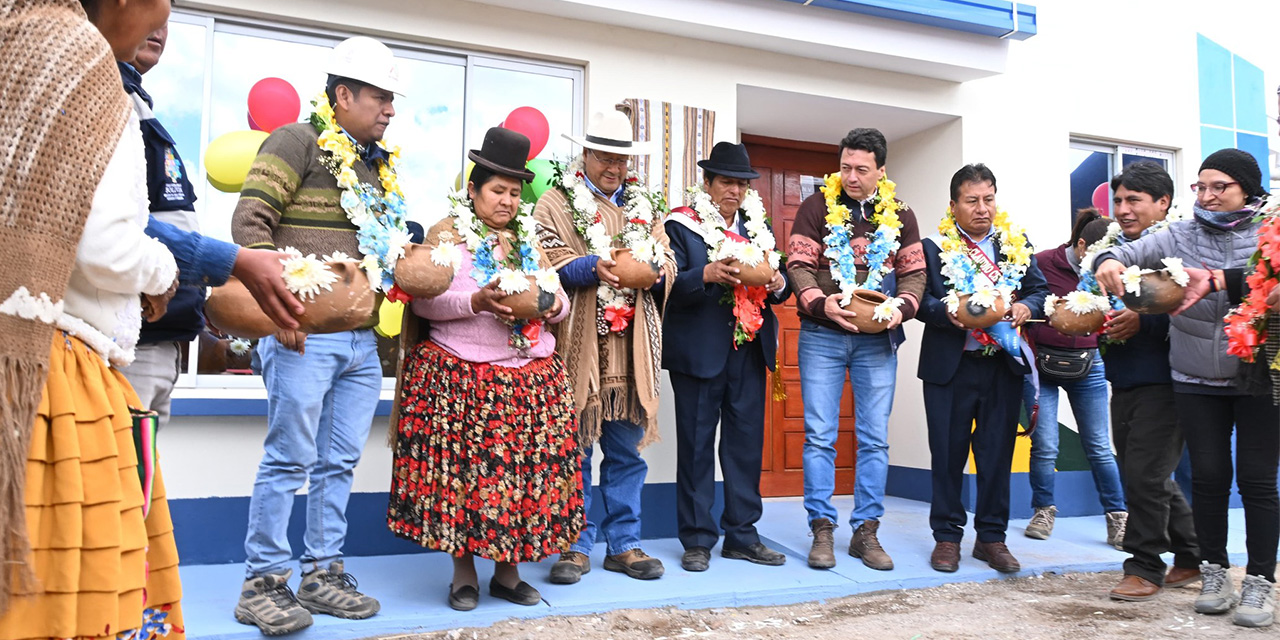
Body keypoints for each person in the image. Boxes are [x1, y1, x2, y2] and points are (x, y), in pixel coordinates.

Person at [0, 0, 184, 638]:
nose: (165, 15)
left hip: (23, 355)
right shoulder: (80, 62)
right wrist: (165, 272)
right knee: (74, 593)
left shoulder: (16, 44)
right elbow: (104, 248)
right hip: (56, 374)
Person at [230, 36, 401, 634]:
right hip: (302, 335)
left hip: (358, 341)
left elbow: (382, 252)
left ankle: (322, 574)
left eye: (391, 98)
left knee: (339, 462)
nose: (389, 109)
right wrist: (277, 312)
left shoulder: (377, 166)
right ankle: (264, 582)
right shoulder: (296, 141)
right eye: (379, 96)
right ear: (343, 94)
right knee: (289, 458)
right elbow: (250, 224)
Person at [386, 127, 584, 611]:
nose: (508, 202)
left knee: (520, 481)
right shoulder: (447, 235)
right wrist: (477, 300)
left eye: (515, 193)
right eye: (498, 191)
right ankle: (463, 575)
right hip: (463, 378)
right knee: (466, 479)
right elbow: (428, 304)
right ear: (472, 191)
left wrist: (541, 306)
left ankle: (509, 574)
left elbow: (559, 303)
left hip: (527, 379)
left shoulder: (529, 240)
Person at [1095, 149, 1278, 628]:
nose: (1208, 196)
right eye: (1201, 186)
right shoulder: (1180, 232)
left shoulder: (1272, 227)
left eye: (1220, 186)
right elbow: (1124, 251)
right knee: (1209, 480)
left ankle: (1260, 582)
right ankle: (1214, 573)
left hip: (1258, 372)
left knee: (1257, 482)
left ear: (1247, 189)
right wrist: (1109, 260)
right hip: (1194, 376)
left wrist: (1220, 281)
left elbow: (1269, 281)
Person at [117, 23, 303, 430]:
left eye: (167, 19)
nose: (159, 28)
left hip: (158, 338)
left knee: (139, 482)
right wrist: (234, 261)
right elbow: (114, 224)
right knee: (121, 478)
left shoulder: (136, 102)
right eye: (148, 11)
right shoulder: (101, 98)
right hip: (125, 343)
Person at [534, 110, 677, 584]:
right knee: (573, 449)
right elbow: (544, 262)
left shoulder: (646, 205)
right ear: (585, 155)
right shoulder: (554, 202)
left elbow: (667, 262)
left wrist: (652, 271)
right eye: (604, 158)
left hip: (632, 347)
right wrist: (592, 267)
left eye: (621, 159)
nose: (613, 167)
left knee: (627, 453)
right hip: (578, 344)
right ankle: (574, 546)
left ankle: (625, 544)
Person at [785, 128, 926, 571]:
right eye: (845, 167)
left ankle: (865, 532)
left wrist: (902, 308)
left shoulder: (901, 215)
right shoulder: (815, 207)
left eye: (861, 169)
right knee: (821, 436)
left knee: (873, 440)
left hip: (877, 342)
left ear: (881, 171)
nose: (850, 176)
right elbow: (798, 266)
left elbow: (915, 275)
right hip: (822, 335)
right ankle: (822, 530)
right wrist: (820, 302)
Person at [663, 142, 790, 572]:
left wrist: (776, 283)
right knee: (696, 448)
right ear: (708, 183)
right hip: (699, 352)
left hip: (749, 350)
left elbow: (782, 280)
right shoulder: (682, 225)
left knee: (745, 448)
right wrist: (706, 273)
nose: (734, 190)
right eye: (725, 182)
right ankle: (697, 540)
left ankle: (742, 535)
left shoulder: (758, 227)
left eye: (741, 183)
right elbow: (665, 286)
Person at [917, 163, 1048, 574]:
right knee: (948, 455)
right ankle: (947, 538)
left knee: (996, 457)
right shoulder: (932, 248)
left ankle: (992, 538)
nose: (982, 209)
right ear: (953, 205)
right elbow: (916, 301)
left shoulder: (1014, 243)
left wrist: (1027, 305)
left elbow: (1039, 289)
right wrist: (945, 312)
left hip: (1001, 367)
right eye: (971, 201)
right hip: (951, 367)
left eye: (988, 200)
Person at [1088, 163, 1200, 603]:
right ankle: (1193, 555)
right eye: (1118, 201)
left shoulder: (1185, 249)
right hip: (1125, 377)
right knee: (1150, 474)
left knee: (1145, 474)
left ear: (1163, 203)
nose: (1123, 209)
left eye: (1134, 200)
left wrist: (1145, 320)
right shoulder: (1113, 253)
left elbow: (1197, 314)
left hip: (1171, 379)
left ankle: (1144, 566)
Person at [1021, 208, 1127, 546]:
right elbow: (1028, 300)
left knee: (1097, 445)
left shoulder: (1111, 270)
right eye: (1094, 257)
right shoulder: (1043, 262)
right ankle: (1043, 509)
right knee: (1046, 445)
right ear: (1081, 245)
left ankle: (1118, 517)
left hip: (1089, 363)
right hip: (1043, 363)